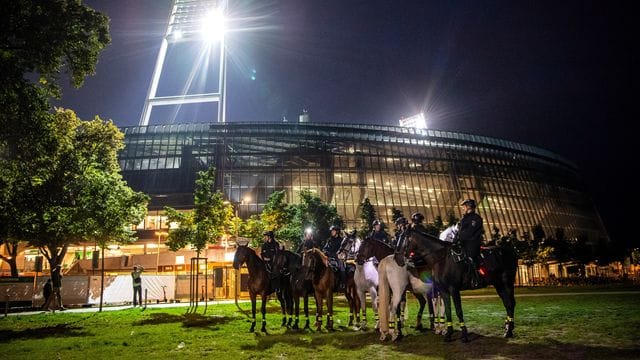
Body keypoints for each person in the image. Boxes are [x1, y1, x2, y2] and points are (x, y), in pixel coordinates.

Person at [455, 199, 484, 287]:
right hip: (463, 243)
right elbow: (459, 231)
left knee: (470, 257)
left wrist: (460, 238)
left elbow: (469, 232)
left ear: (469, 206)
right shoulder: (464, 218)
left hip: (472, 242)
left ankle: (476, 278)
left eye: (464, 206)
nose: (463, 208)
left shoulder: (475, 218)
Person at [323, 225, 346, 290]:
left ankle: (343, 283)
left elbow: (342, 250)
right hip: (329, 257)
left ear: (337, 232)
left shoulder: (341, 240)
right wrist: (325, 252)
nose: (332, 232)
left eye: (333, 231)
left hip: (337, 258)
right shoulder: (329, 240)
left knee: (342, 268)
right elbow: (325, 248)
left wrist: (338, 254)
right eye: (331, 231)